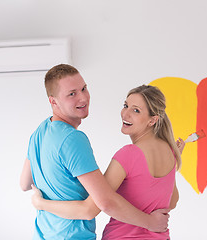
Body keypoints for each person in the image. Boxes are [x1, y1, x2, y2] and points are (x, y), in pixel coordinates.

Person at [20, 64, 170, 240]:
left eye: (83, 88)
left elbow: (24, 183)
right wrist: (152, 223)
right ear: (53, 101)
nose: (83, 98)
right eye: (72, 94)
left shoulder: (40, 131)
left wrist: (42, 201)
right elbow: (100, 204)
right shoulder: (72, 139)